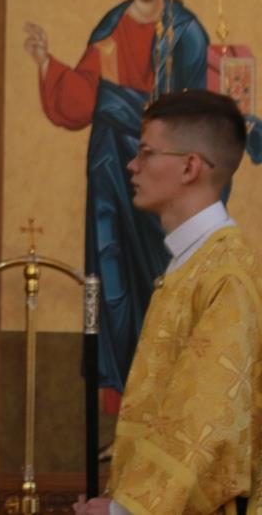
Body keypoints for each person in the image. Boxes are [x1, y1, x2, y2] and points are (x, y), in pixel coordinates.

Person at [24, 0, 262, 403]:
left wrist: (131, 113)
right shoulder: (111, 25)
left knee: (154, 266)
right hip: (108, 167)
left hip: (155, 173)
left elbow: (189, 111)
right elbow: (82, 96)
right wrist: (47, 63)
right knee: (112, 264)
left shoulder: (186, 30)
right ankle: (119, 384)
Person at [74, 90, 262, 515]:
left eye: (146, 152)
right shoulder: (192, 263)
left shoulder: (226, 274)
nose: (132, 165)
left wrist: (123, 511)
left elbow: (207, 420)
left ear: (190, 166)